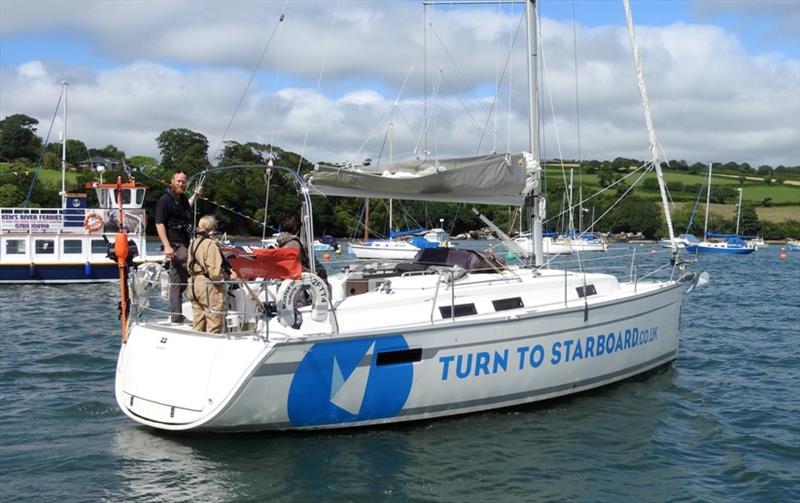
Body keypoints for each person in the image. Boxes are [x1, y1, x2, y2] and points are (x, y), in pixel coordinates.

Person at [155, 171, 201, 323]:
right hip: (175, 244)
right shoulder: (165, 200)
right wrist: (167, 246)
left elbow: (188, 205)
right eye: (178, 181)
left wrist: (195, 195)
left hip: (185, 240)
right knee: (196, 269)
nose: (181, 184)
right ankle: (204, 310)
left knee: (175, 281)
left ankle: (176, 316)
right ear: (172, 181)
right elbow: (159, 223)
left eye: (183, 182)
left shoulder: (181, 199)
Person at [187, 215, 235, 333]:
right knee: (214, 320)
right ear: (212, 227)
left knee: (198, 321)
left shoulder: (193, 243)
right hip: (207, 286)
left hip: (193, 284)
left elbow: (189, 266)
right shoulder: (210, 244)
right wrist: (228, 276)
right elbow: (215, 273)